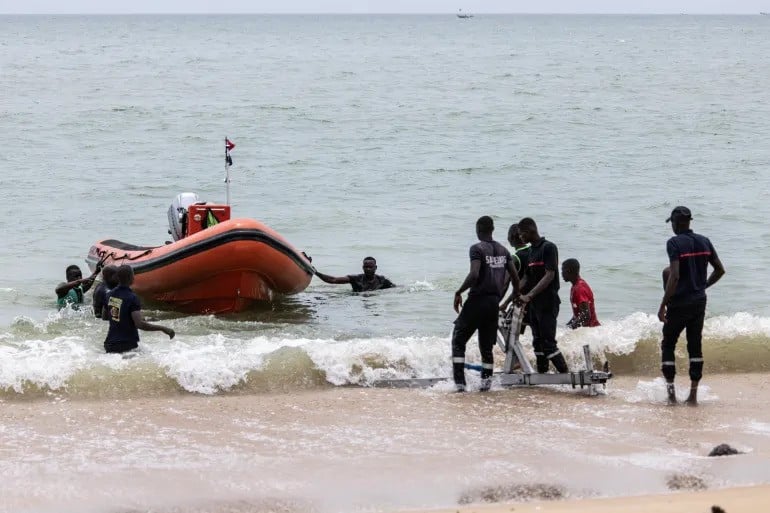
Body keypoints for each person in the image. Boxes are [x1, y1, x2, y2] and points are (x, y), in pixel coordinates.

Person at [658, 206, 724, 405]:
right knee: (694, 345)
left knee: (668, 344)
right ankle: (693, 396)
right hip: (698, 301)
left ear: (676, 223)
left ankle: (671, 396)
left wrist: (663, 304)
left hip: (679, 302)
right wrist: (702, 285)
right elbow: (720, 270)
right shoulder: (705, 241)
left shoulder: (674, 243)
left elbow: (675, 275)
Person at [452, 216, 520, 392]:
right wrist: (516, 295)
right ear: (493, 229)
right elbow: (515, 278)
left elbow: (474, 274)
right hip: (493, 303)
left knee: (459, 338)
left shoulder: (477, 248)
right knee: (486, 347)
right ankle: (486, 386)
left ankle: (460, 384)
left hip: (477, 300)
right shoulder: (504, 251)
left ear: (478, 229)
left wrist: (459, 291)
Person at [517, 217, 570, 374]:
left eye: (521, 234)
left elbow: (550, 275)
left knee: (548, 344)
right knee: (537, 343)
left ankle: (565, 375)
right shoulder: (531, 251)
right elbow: (526, 278)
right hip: (534, 305)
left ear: (530, 230)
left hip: (548, 303)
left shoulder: (548, 248)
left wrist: (530, 295)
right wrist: (514, 295)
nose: (520, 237)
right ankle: (542, 376)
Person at [103, 265, 175, 354]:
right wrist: (163, 328)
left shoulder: (108, 295)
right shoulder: (132, 298)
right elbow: (140, 324)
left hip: (109, 344)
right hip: (127, 345)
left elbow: (105, 316)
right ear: (131, 278)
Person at [315, 257, 396, 292]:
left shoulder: (382, 280)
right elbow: (333, 280)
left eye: (370, 267)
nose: (368, 269)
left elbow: (395, 289)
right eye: (366, 267)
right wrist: (315, 272)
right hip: (356, 302)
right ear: (362, 267)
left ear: (375, 267)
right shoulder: (356, 279)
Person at [561, 258, 600, 329]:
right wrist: (567, 327)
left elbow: (586, 315)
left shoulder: (579, 288)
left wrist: (572, 328)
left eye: (563, 270)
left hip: (591, 331)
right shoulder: (575, 286)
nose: (561, 273)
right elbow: (578, 314)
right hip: (590, 330)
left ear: (568, 271)